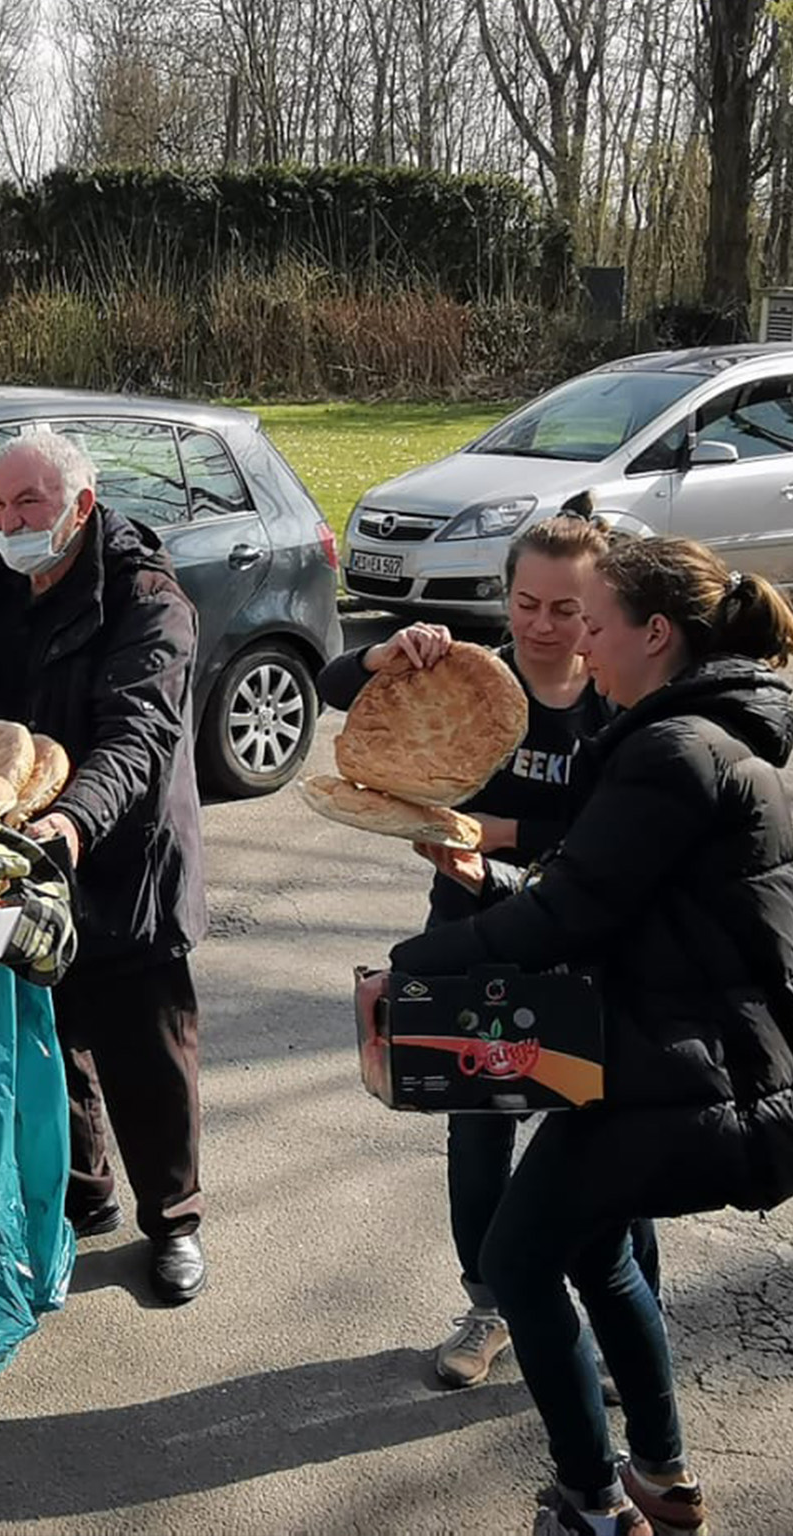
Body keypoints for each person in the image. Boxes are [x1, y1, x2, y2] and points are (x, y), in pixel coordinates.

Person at [388, 536, 793, 1536]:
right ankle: (661, 1477)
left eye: (597, 626)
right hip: (688, 1066)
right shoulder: (709, 734)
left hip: (683, 1085)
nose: (583, 647)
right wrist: (508, 889)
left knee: (519, 1258)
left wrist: (408, 968)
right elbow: (617, 904)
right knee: (597, 1250)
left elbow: (566, 918)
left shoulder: (671, 748)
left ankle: (592, 1501)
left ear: (653, 635)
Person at [318, 513, 659, 1389]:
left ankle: (632, 1319)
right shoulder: (470, 678)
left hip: (587, 949)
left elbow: (622, 832)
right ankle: (489, 1304)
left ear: (600, 611)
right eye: (524, 602)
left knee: (606, 1141)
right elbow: (331, 683)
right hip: (471, 943)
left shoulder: (620, 702)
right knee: (478, 1142)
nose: (542, 626)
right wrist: (382, 656)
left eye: (565, 608)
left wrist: (496, 831)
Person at [0, 432, 210, 1306]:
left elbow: (139, 735)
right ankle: (85, 1194)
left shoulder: (148, 600)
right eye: (1, 507)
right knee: (54, 1038)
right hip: (27, 859)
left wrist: (76, 820)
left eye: (32, 506)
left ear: (81, 508)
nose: (11, 524)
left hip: (123, 859)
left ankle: (173, 1220)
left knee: (148, 1054)